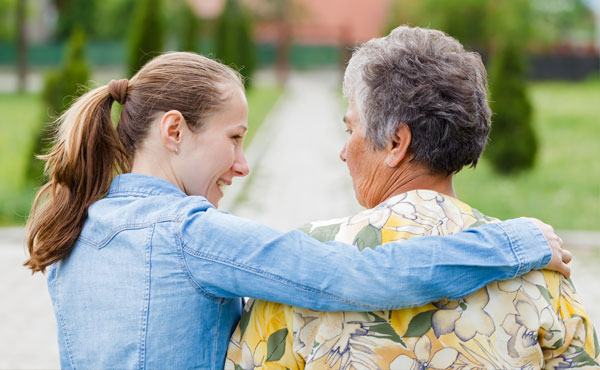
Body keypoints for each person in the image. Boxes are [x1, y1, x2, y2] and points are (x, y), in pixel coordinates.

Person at [24, 52, 570, 369]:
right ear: (174, 130)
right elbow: (359, 277)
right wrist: (514, 243)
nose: (241, 165)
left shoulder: (74, 230)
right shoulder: (190, 235)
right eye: (235, 138)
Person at [226, 26, 598, 369]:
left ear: (395, 143)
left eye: (351, 128)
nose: (343, 151)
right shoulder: (541, 271)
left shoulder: (304, 266)